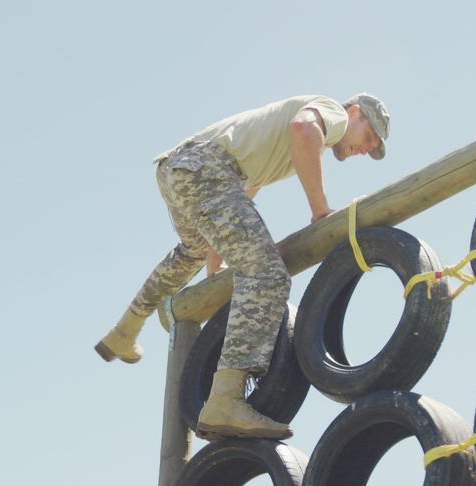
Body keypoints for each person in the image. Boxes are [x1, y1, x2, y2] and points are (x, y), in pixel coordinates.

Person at [95, 93, 390, 440]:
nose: (365, 149)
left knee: (192, 251)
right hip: (208, 168)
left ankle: (125, 330)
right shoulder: (331, 115)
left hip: (180, 169)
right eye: (369, 137)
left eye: (372, 150)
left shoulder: (277, 144)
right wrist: (320, 211)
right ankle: (225, 398)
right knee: (267, 274)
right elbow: (303, 129)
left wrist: (214, 264)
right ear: (354, 112)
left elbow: (244, 193)